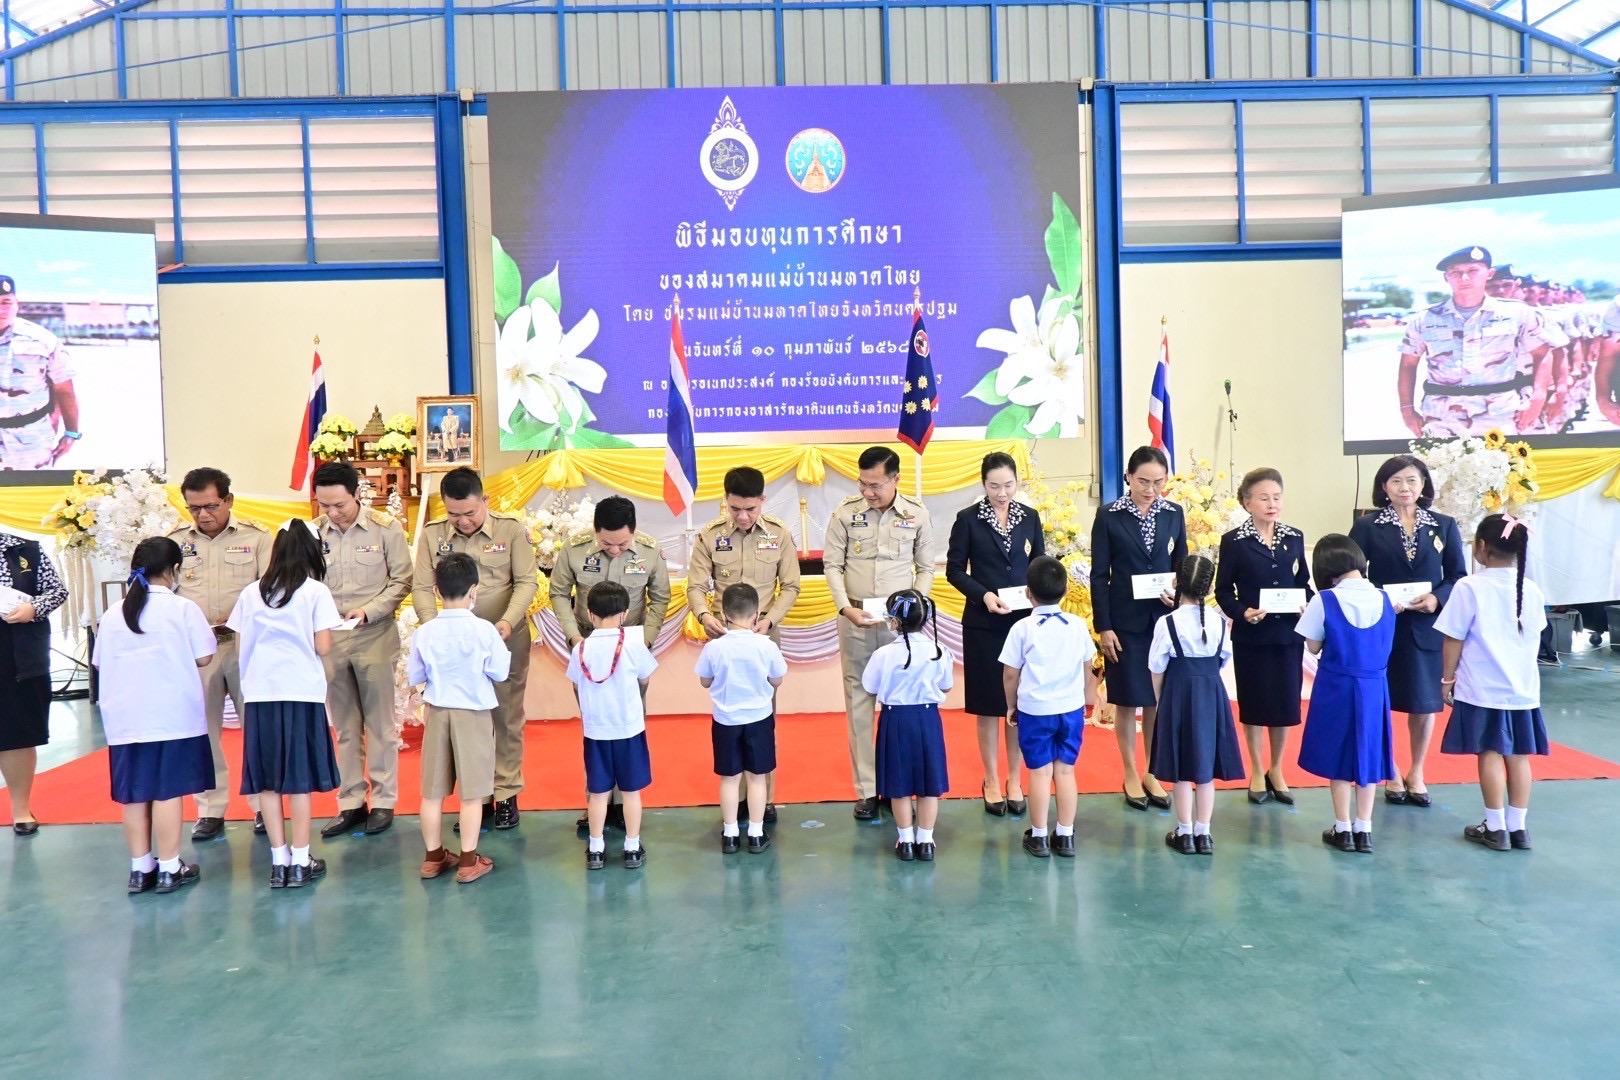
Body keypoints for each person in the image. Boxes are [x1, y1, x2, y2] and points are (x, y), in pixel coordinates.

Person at [412, 467, 538, 831]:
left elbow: (526, 581)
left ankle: (506, 792)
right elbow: (421, 586)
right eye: (454, 514)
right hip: (453, 648)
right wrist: (433, 626)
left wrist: (507, 622)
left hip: (504, 638)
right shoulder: (433, 534)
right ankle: (477, 797)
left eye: (469, 512)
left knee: (506, 717)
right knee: (467, 723)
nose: (463, 521)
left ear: (485, 500)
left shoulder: (510, 530)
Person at [93, 538, 215, 894]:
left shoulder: (114, 613)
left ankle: (140, 868)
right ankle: (170, 867)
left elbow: (99, 662)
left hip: (125, 718)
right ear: (175, 570)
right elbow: (205, 657)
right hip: (172, 716)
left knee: (135, 794)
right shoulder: (182, 608)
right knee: (167, 792)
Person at [228, 521, 344, 889]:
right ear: (311, 551)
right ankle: (301, 859)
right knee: (298, 779)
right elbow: (323, 646)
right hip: (301, 692)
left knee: (267, 779)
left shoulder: (251, 592)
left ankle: (279, 861)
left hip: (260, 693)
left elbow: (241, 644)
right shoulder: (315, 591)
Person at [824, 446, 935, 821]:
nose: (868, 491)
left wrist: (913, 610)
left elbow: (926, 568)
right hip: (856, 619)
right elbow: (832, 565)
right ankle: (868, 790)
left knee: (901, 706)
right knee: (859, 704)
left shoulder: (916, 514)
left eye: (875, 485)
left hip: (898, 625)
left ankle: (897, 785)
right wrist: (845, 607)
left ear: (895, 479)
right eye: (863, 483)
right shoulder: (845, 513)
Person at [1349, 455, 1467, 808]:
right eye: (1397, 481)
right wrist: (1378, 599)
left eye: (1412, 480)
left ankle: (1417, 771)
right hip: (1382, 626)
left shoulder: (1444, 525)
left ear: (1423, 484)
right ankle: (1392, 770)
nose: (1405, 487)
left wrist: (1436, 598)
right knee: (1380, 701)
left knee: (1424, 704)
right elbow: (1352, 573)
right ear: (1384, 487)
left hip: (1426, 627)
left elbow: (1457, 576)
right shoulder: (1367, 526)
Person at [550, 494, 671, 830]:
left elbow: (661, 597)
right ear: (595, 531)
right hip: (589, 649)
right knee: (595, 728)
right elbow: (558, 592)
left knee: (631, 726)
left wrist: (645, 642)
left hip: (629, 651)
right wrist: (574, 638)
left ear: (634, 531)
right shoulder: (574, 549)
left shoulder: (649, 551)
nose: (615, 550)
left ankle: (625, 804)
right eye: (606, 544)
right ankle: (597, 801)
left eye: (622, 544)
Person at [684, 466, 798, 822]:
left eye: (750, 508)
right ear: (726, 501)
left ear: (762, 500)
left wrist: (770, 620)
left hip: (763, 637)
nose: (743, 516)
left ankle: (763, 800)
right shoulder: (710, 536)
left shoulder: (779, 534)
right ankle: (735, 800)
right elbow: (695, 585)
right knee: (729, 718)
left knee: (764, 718)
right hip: (725, 638)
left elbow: (791, 586)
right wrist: (704, 615)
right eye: (735, 508)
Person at [168, 466, 270, 841]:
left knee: (257, 730)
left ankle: (264, 806)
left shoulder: (258, 538)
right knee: (203, 731)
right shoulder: (175, 542)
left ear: (228, 500)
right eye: (194, 508)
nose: (203, 514)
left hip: (245, 646)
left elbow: (272, 591)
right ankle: (210, 810)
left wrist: (241, 616)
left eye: (210, 506)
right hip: (198, 650)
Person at [1437, 514, 1548, 852]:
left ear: (1481, 547)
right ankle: (1518, 827)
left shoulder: (1469, 587)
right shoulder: (1531, 589)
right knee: (1518, 756)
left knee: (1488, 752)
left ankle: (1495, 826)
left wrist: (1447, 679)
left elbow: (1453, 638)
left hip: (1482, 688)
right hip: (1523, 689)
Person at [312, 461, 412, 839]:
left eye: (340, 504)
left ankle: (384, 800)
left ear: (357, 494)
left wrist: (368, 610)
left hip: (374, 634)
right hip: (331, 639)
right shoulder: (313, 533)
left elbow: (402, 580)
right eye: (325, 506)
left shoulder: (386, 528)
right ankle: (351, 801)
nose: (333, 513)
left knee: (380, 724)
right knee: (345, 725)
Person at [947, 450, 1045, 817]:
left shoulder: (1030, 518)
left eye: (1008, 485)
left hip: (1022, 623)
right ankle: (990, 778)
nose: (1002, 493)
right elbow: (955, 570)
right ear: (983, 483)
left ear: (1017, 482)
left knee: (1018, 704)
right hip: (984, 624)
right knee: (989, 706)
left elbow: (1039, 564)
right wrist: (983, 595)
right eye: (994, 486)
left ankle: (1014, 778)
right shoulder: (968, 520)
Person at [1090, 445, 1187, 813]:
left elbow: (1181, 564)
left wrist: (1177, 594)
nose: (1151, 489)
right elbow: (1099, 576)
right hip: (1125, 624)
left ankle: (1152, 772)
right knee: (1128, 700)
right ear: (1128, 477)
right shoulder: (1109, 515)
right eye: (1144, 481)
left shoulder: (1173, 513)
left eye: (1158, 482)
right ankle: (1130, 772)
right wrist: (1105, 627)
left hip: (1162, 622)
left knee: (1156, 701)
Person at [406, 553, 511, 884]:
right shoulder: (484, 630)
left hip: (437, 712)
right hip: (473, 713)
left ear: (436, 591)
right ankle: (468, 861)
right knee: (472, 793)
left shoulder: (425, 632)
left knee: (432, 792)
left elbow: (415, 675)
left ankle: (433, 857)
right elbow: (500, 672)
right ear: (474, 590)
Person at [1214, 467, 1311, 805]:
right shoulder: (1233, 541)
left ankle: (1276, 769)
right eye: (1264, 498)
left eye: (1277, 498)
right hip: (1252, 637)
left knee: (1285, 705)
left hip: (1287, 635)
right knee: (1254, 704)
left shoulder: (1294, 537)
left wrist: (1306, 605)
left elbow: (1304, 584)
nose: (1272, 505)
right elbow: (1223, 591)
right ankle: (1256, 769)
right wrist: (1243, 612)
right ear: (1247, 502)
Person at [1296, 534, 1397, 856]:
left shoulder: (1324, 599)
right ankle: (1364, 827)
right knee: (1368, 753)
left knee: (1339, 754)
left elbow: (1313, 646)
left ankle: (1342, 827)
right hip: (1374, 686)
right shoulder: (1385, 598)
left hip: (1336, 684)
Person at [1396, 246, 1562, 438]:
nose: (1464, 278)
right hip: (1442, 417)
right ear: (1446, 277)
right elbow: (1408, 365)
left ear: (1489, 274)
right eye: (1456, 272)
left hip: (1501, 415)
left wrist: (1538, 398)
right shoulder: (1424, 319)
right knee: (1443, 459)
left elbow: (1542, 354)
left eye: (1473, 271)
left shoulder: (1517, 313)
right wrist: (1406, 409)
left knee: (1506, 458)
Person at [998, 556, 1095, 859]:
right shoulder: (1077, 625)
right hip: (1070, 708)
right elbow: (1088, 666)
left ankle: (1039, 836)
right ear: (1066, 590)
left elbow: (1010, 673)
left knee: (1039, 773)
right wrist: (1084, 699)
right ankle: (1065, 835)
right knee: (1065, 771)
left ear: (1027, 592)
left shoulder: (1022, 628)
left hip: (1034, 710)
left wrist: (1011, 705)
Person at [1148, 554, 1242, 856]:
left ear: (1177, 582)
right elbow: (1224, 659)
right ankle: (1204, 832)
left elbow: (1156, 667)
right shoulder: (1219, 622)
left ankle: (1185, 832)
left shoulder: (1167, 622)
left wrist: (1162, 700)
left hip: (1177, 692)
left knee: (1180, 767)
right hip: (1210, 693)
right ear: (1209, 587)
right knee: (1204, 766)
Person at [565, 583, 659, 871]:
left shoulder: (581, 648)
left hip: (596, 731)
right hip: (628, 729)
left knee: (597, 793)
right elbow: (645, 678)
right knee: (631, 792)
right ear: (625, 614)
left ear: (589, 614)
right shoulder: (632, 644)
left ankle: (595, 848)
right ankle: (632, 847)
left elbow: (575, 683)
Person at [695, 583, 786, 854]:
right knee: (757, 777)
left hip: (725, 720)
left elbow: (704, 681)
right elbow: (777, 680)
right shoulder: (766, 645)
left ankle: (731, 833)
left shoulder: (714, 648)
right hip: (759, 718)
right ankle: (756, 833)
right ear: (756, 615)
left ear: (723, 615)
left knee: (729, 778)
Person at [862, 589, 951, 862]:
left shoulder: (883, 654)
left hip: (895, 720)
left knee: (898, 785)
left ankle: (906, 841)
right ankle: (926, 840)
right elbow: (946, 685)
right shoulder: (939, 650)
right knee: (928, 783)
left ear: (894, 621)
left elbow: (869, 686)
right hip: (928, 719)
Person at [0, 529, 67, 835]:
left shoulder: (24, 549)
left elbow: (57, 591)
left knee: (18, 732)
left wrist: (34, 609)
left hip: (17, 652)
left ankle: (20, 809)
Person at [0, 274, 81, 469]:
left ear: (17, 304)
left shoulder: (42, 340)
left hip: (31, 441)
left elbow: (63, 389)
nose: (0, 309)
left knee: (33, 487)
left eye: (6, 302)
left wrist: (71, 432)